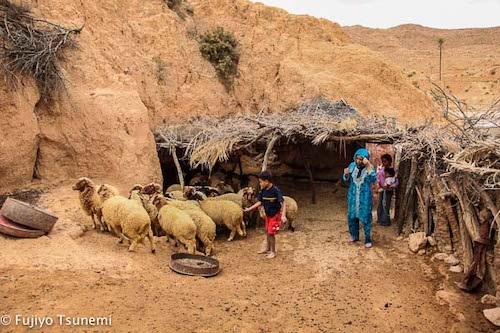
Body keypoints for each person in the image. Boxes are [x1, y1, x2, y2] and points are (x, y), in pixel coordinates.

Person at [243, 170, 287, 259]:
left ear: (266, 181)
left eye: (261, 182)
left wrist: (283, 215)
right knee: (267, 231)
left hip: (275, 215)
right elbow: (260, 202)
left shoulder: (275, 190)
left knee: (271, 233)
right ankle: (267, 248)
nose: (260, 184)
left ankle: (273, 252)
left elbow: (283, 202)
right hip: (268, 214)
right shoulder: (263, 191)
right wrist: (249, 209)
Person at [343, 148, 376, 248]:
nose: (358, 161)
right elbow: (346, 180)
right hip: (353, 196)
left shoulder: (370, 167)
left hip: (364, 197)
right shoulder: (352, 166)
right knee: (352, 216)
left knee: (365, 217)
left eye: (361, 159)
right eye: (357, 158)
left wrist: (367, 165)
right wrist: (345, 174)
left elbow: (373, 179)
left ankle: (367, 239)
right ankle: (354, 236)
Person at [376, 154, 399, 226]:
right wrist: (380, 184)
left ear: (390, 161)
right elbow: (379, 178)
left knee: (386, 205)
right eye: (382, 161)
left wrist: (391, 187)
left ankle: (385, 221)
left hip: (388, 190)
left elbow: (396, 181)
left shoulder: (391, 171)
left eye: (385, 161)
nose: (383, 163)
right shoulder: (382, 169)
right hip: (382, 189)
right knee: (380, 204)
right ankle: (380, 219)